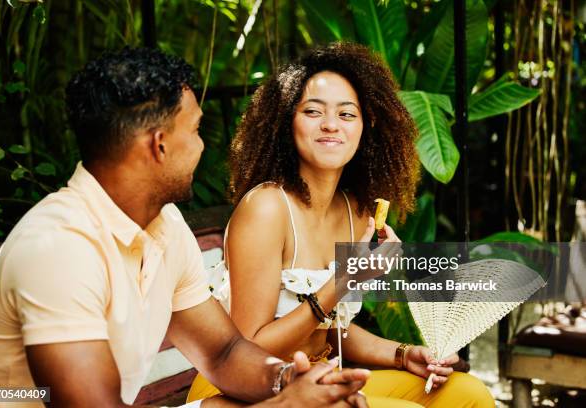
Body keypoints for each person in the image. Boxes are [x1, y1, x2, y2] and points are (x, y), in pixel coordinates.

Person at [0, 47, 371, 408]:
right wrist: (289, 405)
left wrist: (291, 380)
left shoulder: (164, 227)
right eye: (196, 130)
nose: (202, 146)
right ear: (159, 145)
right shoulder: (58, 249)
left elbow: (224, 353)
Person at [187, 42, 495, 408]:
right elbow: (245, 349)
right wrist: (343, 281)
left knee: (466, 394)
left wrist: (403, 353)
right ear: (287, 122)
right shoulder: (267, 208)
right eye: (313, 111)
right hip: (247, 390)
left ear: (367, 127)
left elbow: (328, 333)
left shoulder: (354, 211)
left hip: (320, 377)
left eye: (347, 114)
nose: (331, 125)